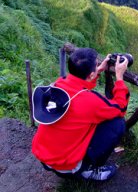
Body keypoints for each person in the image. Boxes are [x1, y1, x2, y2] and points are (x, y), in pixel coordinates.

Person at [31, 45, 130, 182]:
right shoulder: (91, 102)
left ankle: (77, 164)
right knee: (117, 124)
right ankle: (87, 170)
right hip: (66, 166)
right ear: (90, 74)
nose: (98, 66)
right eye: (96, 65)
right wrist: (119, 77)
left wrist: (98, 70)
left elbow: (79, 85)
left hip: (43, 157)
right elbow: (120, 107)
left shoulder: (59, 84)